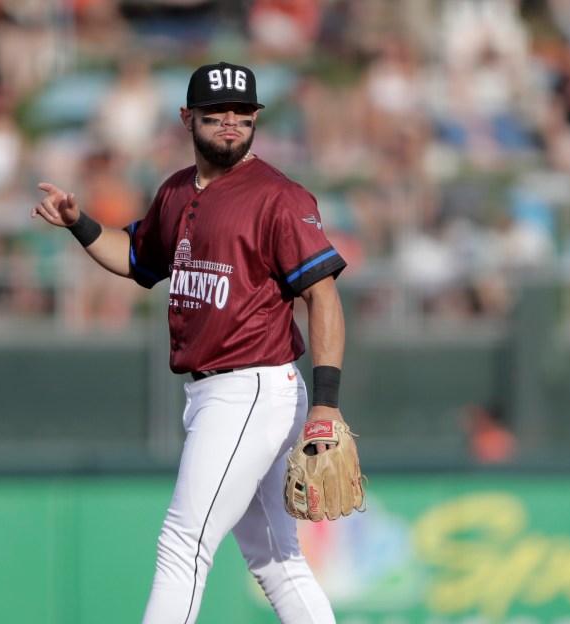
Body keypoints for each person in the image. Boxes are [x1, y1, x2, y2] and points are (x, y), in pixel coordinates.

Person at [32, 61, 348, 623]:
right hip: (218, 392)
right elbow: (133, 258)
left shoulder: (279, 197)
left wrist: (325, 403)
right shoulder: (178, 190)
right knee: (277, 560)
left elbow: (321, 296)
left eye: (243, 113)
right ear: (187, 118)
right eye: (217, 113)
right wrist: (80, 224)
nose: (231, 122)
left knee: (183, 544)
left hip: (251, 386)